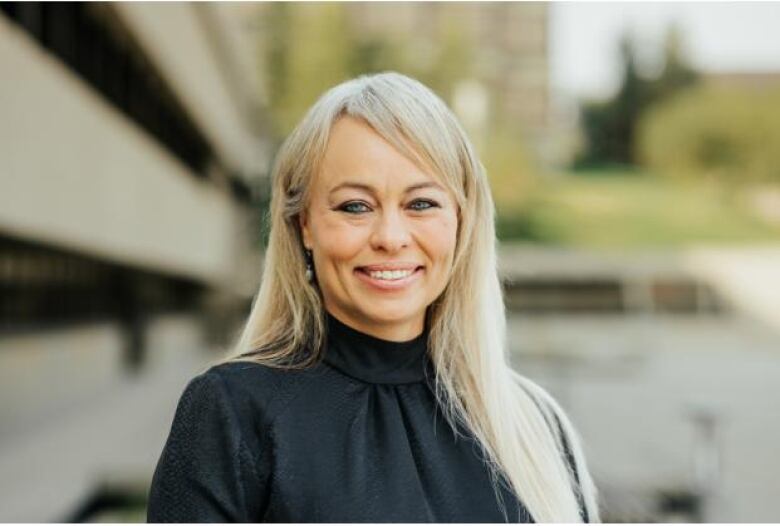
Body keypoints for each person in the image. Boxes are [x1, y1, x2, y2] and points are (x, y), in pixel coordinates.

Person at [146, 72, 600, 523]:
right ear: (305, 224)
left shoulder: (532, 423)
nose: (390, 237)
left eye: (420, 204)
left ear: (463, 220)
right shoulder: (232, 413)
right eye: (355, 206)